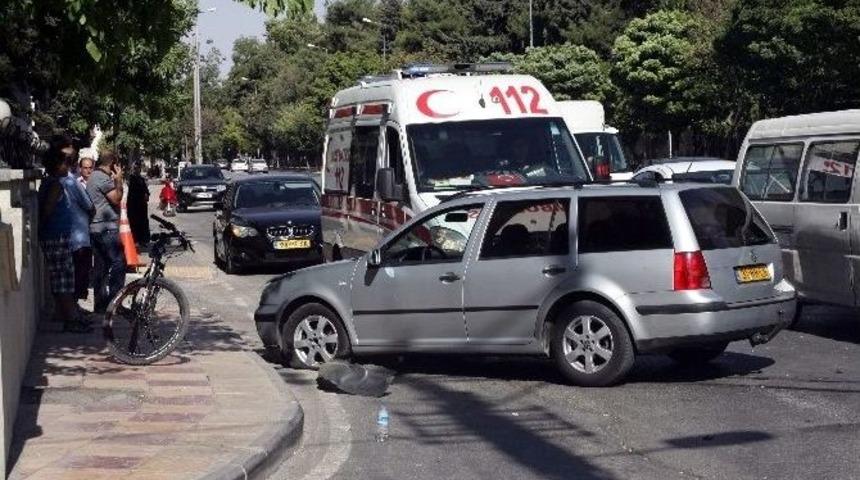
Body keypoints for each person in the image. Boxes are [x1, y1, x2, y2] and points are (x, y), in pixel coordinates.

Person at [38, 138, 91, 332]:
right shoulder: (55, 185)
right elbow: (47, 210)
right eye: (64, 163)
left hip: (58, 236)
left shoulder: (51, 182)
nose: (67, 168)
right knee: (63, 279)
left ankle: (67, 314)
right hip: (56, 237)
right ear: (57, 165)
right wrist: (43, 229)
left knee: (65, 277)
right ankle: (71, 318)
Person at [86, 150, 126, 314]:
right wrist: (119, 181)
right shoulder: (101, 178)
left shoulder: (94, 176)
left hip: (97, 227)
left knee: (101, 267)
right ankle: (114, 301)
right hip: (105, 228)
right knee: (119, 262)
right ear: (113, 164)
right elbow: (116, 198)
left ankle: (101, 304)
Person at [59, 144, 96, 313]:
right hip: (79, 236)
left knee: (75, 274)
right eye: (84, 167)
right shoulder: (73, 182)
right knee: (79, 274)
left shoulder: (58, 180)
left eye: (90, 168)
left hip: (74, 235)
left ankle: (73, 307)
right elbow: (89, 205)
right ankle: (74, 309)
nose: (87, 171)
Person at [127, 161, 150, 246]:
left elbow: (145, 189)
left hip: (142, 205)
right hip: (133, 204)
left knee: (143, 222)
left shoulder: (141, 179)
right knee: (134, 222)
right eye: (135, 168)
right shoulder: (131, 178)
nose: (137, 170)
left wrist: (147, 194)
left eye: (138, 168)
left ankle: (143, 240)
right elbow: (133, 189)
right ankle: (135, 239)